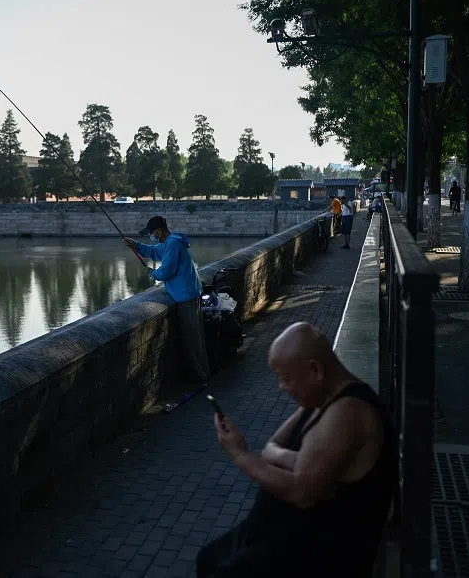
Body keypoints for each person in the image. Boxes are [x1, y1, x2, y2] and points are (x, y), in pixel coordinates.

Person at [197, 323, 396, 578]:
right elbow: (271, 448)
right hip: (282, 538)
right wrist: (298, 461)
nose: (281, 387)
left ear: (315, 369)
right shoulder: (317, 398)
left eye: (286, 378)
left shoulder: (347, 415)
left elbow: (300, 491)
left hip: (319, 557)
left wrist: (240, 454)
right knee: (209, 558)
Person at [124, 216, 211, 385]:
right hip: (187, 293)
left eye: (152, 232)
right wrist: (135, 245)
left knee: (192, 338)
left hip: (186, 295)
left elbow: (167, 270)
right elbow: (154, 252)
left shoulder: (173, 243)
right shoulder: (168, 243)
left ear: (159, 230)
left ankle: (200, 377)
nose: (151, 235)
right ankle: (200, 374)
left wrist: (152, 274)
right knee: (194, 337)